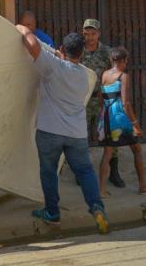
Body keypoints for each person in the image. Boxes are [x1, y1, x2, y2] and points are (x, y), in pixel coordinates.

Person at [16, 25, 110, 234]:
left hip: (50, 131)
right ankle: (96, 207)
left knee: (49, 172)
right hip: (76, 134)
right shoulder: (85, 76)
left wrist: (23, 29)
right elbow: (68, 68)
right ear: (82, 53)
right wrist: (60, 57)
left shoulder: (53, 66)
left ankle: (52, 213)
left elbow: (31, 45)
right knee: (85, 171)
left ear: (61, 49)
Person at [98, 47, 146, 197]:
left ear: (112, 60)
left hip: (107, 117)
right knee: (137, 149)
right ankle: (143, 186)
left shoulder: (104, 74)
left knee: (107, 153)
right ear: (124, 61)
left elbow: (101, 99)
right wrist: (135, 124)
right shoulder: (123, 76)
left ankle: (102, 190)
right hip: (120, 118)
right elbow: (125, 103)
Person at [80, 19, 125, 188]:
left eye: (93, 34)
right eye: (86, 34)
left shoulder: (107, 52)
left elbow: (116, 74)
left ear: (99, 34)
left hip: (103, 100)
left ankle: (114, 173)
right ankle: (82, 173)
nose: (90, 37)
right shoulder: (79, 50)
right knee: (81, 138)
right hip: (83, 101)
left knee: (110, 137)